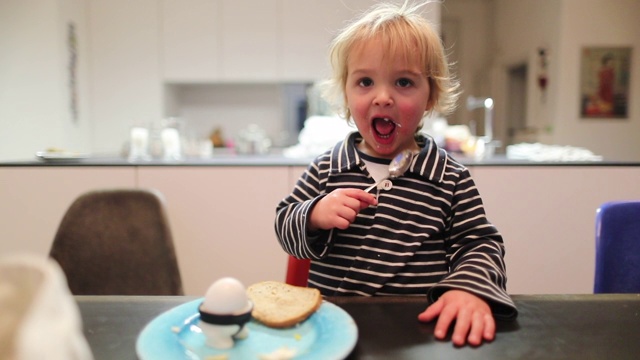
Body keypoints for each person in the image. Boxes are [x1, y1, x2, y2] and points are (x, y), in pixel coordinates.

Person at [274, 0, 517, 346]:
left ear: (430, 96)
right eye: (365, 82)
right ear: (345, 93)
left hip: (419, 333)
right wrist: (313, 213)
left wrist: (467, 288)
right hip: (333, 333)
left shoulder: (450, 178)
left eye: (403, 81)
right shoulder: (327, 168)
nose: (382, 97)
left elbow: (480, 244)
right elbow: (284, 222)